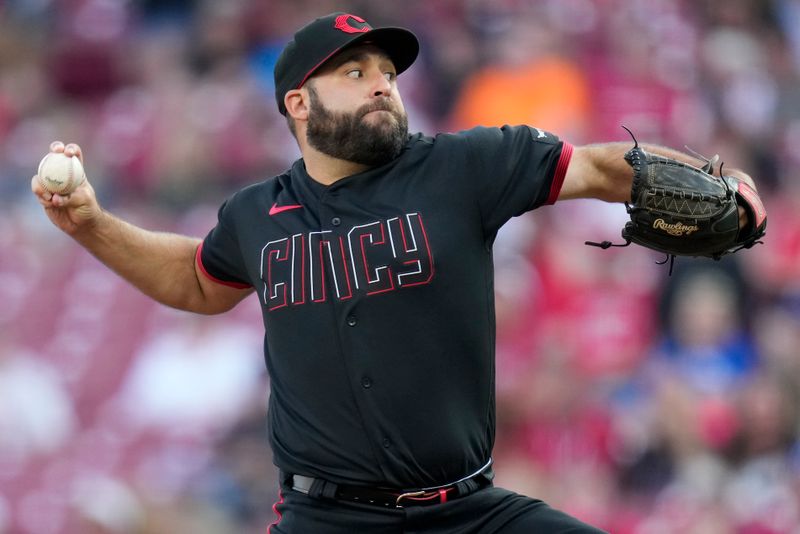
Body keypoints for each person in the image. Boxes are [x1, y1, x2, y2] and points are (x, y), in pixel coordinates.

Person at [31, 12, 760, 534]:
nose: (382, 84)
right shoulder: (258, 215)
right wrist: (92, 224)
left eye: (387, 72)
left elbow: (601, 166)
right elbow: (195, 280)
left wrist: (722, 188)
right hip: (324, 517)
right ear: (299, 104)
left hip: (469, 511)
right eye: (355, 73)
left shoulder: (462, 167)